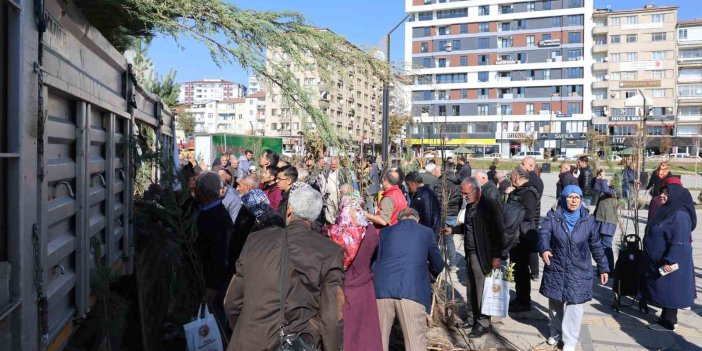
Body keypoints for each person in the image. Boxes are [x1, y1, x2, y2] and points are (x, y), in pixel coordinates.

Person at [224, 186, 344, 350]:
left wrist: (245, 329)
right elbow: (332, 317)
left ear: (289, 210)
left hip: (250, 340)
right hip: (297, 342)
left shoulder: (256, 240)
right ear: (315, 216)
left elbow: (232, 302)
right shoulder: (330, 251)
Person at [538, 185, 609, 350]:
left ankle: (569, 341)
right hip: (557, 266)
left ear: (581, 199)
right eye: (570, 197)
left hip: (579, 270)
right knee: (555, 303)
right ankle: (555, 333)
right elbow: (544, 234)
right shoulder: (553, 215)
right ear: (563, 198)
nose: (574, 200)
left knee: (575, 306)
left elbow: (596, 245)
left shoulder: (588, 219)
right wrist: (545, 249)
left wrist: (603, 268)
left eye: (577, 197)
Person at [441, 177, 506, 337]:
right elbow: (469, 226)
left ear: (477, 190)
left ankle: (483, 322)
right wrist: (453, 230)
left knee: (481, 289)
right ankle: (472, 317)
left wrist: (497, 256)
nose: (464, 197)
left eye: (466, 193)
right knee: (471, 288)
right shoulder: (471, 205)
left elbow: (499, 233)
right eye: (462, 194)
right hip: (470, 253)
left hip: (482, 254)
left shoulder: (489, 205)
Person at [374, 208, 443, 351]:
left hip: (382, 290)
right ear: (417, 219)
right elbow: (438, 264)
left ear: (399, 220)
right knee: (415, 343)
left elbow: (375, 263)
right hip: (412, 290)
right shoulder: (426, 232)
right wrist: (428, 276)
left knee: (378, 343)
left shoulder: (385, 232)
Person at [325, 192, 383, 350]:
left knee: (346, 334)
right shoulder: (370, 232)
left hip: (341, 290)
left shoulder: (333, 233)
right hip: (364, 288)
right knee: (365, 334)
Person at [642, 181, 696, 332]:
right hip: (659, 259)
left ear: (675, 196)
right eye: (662, 193)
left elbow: (679, 242)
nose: (662, 196)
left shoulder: (680, 216)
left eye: (666, 193)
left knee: (671, 290)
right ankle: (666, 318)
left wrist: (670, 261)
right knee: (666, 290)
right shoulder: (667, 210)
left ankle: (669, 323)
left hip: (670, 262)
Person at [193, 171, 235, 324]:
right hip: (206, 278)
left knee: (212, 324)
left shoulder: (219, 220)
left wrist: (212, 286)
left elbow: (221, 256)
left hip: (213, 283)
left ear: (202, 192)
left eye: (196, 188)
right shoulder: (208, 210)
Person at [505, 166, 539, 312]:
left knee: (522, 270)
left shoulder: (528, 192)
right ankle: (520, 298)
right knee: (517, 269)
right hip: (515, 235)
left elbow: (528, 214)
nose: (510, 179)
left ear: (517, 176)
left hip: (522, 236)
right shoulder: (519, 190)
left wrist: (511, 215)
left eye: (511, 176)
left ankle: (524, 301)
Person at [432, 165, 463, 269]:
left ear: (441, 172)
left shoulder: (441, 183)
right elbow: (459, 199)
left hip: (443, 213)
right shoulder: (456, 183)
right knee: (449, 239)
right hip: (453, 214)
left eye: (435, 171)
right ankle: (453, 263)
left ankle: (438, 261)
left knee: (440, 238)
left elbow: (438, 199)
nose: (434, 173)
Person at [593, 175, 616, 275]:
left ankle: (610, 269)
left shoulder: (617, 191)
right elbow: (596, 188)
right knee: (599, 246)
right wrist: (597, 178)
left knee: (606, 246)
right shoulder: (605, 188)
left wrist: (603, 179)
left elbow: (607, 191)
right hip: (599, 220)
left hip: (609, 222)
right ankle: (601, 268)